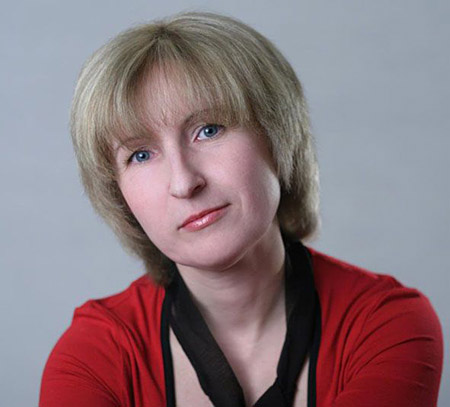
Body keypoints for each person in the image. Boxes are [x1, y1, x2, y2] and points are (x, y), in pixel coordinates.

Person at [39, 11, 443, 407]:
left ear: (279, 137)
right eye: (141, 155)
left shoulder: (386, 324)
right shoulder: (93, 355)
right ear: (119, 195)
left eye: (208, 130)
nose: (184, 183)